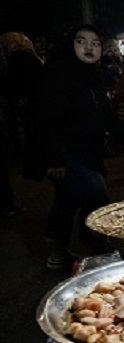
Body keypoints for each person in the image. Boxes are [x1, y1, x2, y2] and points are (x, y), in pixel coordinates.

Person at [33, 24, 124, 270]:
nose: (89, 48)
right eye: (81, 41)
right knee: (95, 194)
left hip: (89, 151)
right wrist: (54, 159)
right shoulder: (58, 75)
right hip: (66, 152)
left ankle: (67, 248)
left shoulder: (93, 76)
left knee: (68, 199)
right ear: (71, 45)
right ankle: (78, 246)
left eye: (95, 43)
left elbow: (109, 117)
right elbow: (46, 120)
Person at [0, 32, 43, 216]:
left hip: (24, 106)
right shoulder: (29, 57)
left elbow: (12, 84)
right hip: (32, 106)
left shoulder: (17, 58)